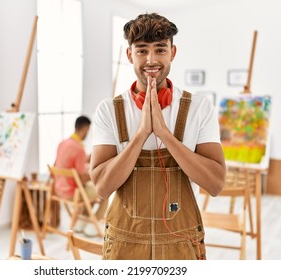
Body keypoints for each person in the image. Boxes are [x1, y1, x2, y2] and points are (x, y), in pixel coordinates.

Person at [90, 13, 226, 259]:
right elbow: (102, 186)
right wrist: (141, 134)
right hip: (123, 245)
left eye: (160, 50)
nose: (151, 60)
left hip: (181, 243)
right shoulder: (109, 110)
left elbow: (215, 185)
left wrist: (165, 134)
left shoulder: (199, 108)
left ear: (172, 52)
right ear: (129, 55)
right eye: (142, 51)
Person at [54, 115, 108, 237]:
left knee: (90, 191)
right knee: (104, 192)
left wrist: (86, 160)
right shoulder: (79, 148)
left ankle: (80, 223)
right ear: (84, 128)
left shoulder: (63, 143)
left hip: (59, 190)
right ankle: (92, 227)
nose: (87, 133)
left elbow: (61, 165)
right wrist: (96, 170)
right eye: (88, 130)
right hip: (73, 193)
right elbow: (82, 178)